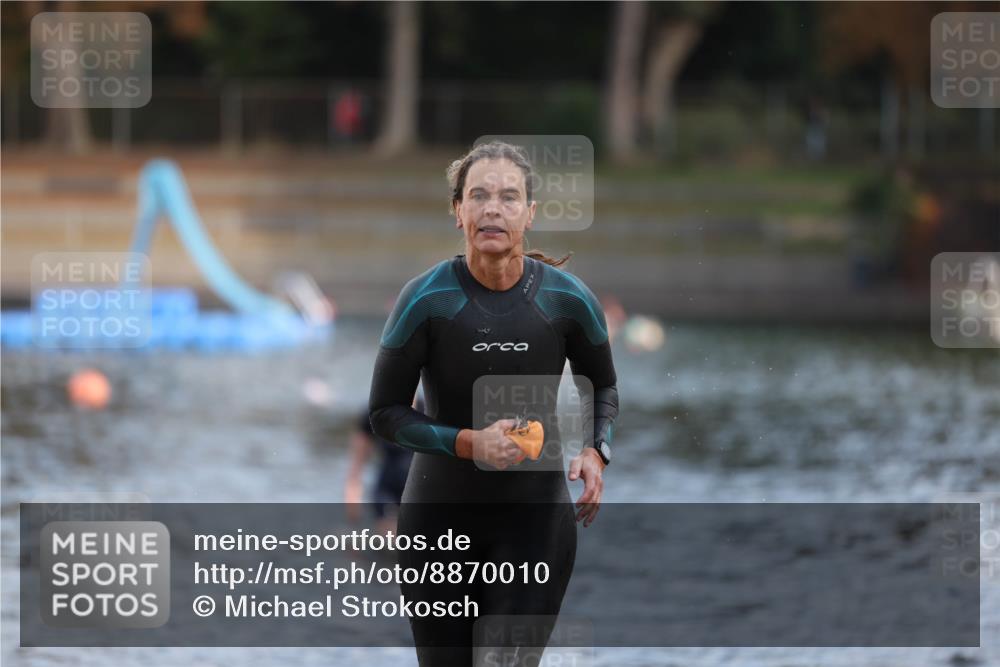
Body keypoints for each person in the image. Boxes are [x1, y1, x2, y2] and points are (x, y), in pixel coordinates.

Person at [368, 141, 619, 666]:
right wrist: (469, 443)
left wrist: (596, 451)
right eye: (479, 196)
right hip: (437, 526)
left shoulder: (567, 299)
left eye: (508, 197)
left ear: (530, 213)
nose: (493, 209)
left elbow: (602, 386)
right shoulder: (426, 299)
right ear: (458, 211)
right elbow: (385, 413)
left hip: (534, 524)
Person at [343, 396, 421, 534]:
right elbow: (357, 465)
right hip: (387, 490)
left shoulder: (428, 409)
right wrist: (352, 497)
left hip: (418, 490)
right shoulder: (375, 411)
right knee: (391, 539)